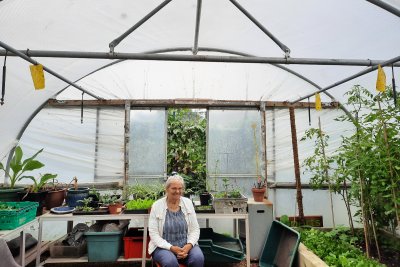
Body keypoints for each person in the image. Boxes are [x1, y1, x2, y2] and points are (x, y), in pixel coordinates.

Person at [148, 174, 204, 267]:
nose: (177, 191)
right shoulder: (157, 206)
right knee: (170, 263)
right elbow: (153, 234)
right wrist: (171, 248)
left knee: (198, 259)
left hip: (186, 245)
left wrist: (189, 246)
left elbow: (195, 229)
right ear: (167, 189)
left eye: (180, 188)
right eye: (174, 188)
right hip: (163, 247)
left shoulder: (188, 203)